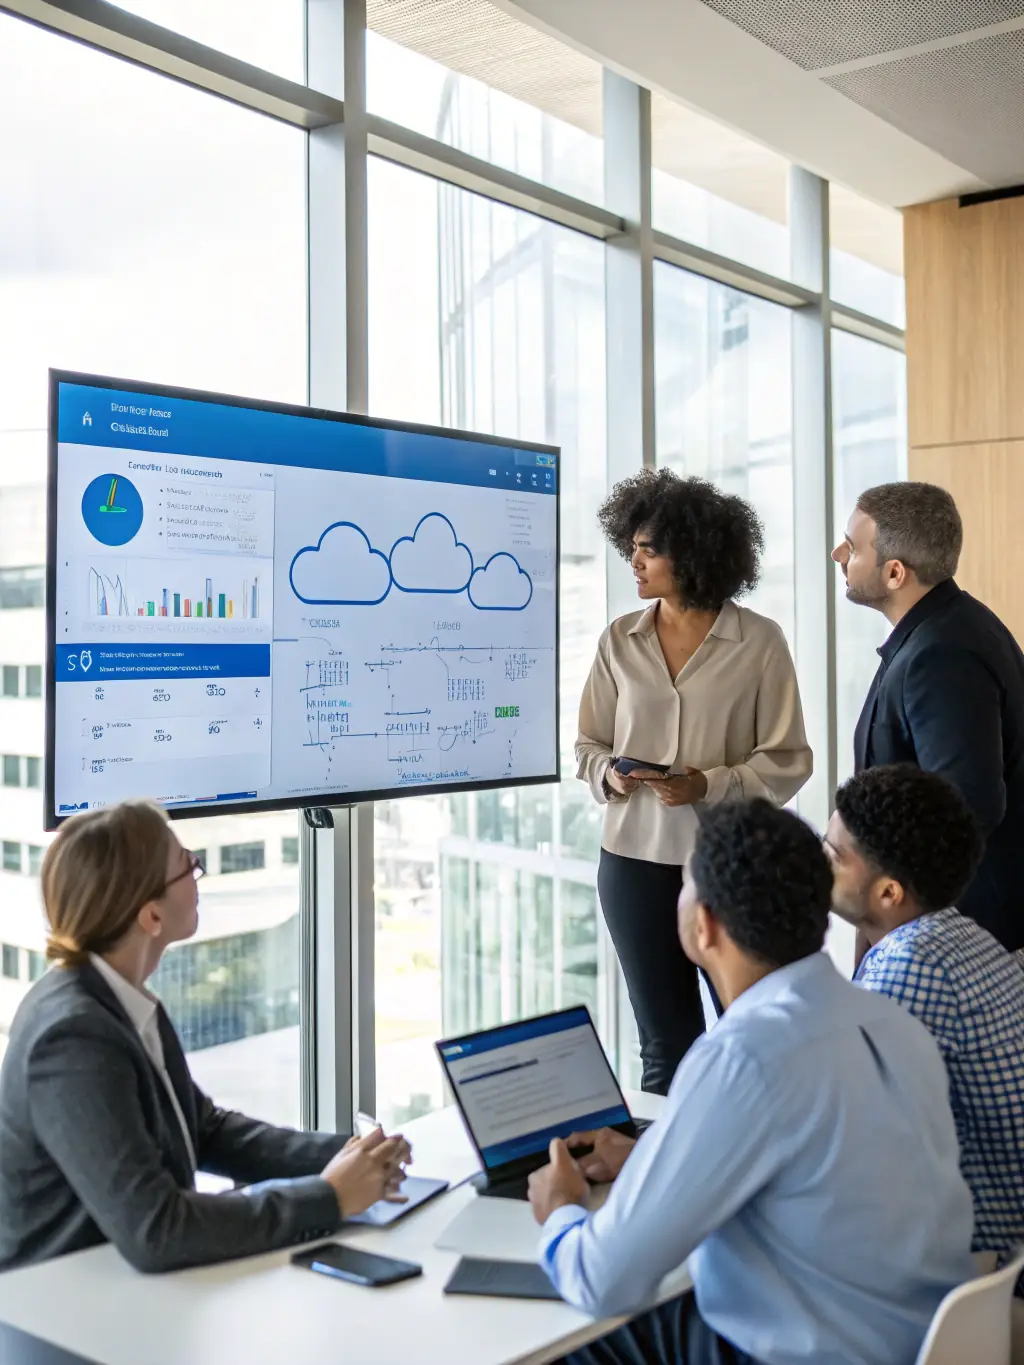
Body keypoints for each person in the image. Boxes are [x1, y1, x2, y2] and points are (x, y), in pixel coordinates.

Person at [527, 799, 975, 1365]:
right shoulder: (891, 1024)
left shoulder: (744, 1057)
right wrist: (651, 1156)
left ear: (704, 924)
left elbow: (601, 1280)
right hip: (923, 1339)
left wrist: (561, 1208)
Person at [0, 799, 411, 1274]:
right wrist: (330, 1197)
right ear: (151, 917)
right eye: (188, 867)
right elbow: (157, 1228)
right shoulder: (72, 1039)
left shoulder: (119, 998)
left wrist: (348, 1155)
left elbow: (205, 1130)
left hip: (124, 1294)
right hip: (66, 1321)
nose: (198, 875)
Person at [577, 469, 812, 1093]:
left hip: (727, 866)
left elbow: (788, 759)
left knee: (753, 1033)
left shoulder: (760, 642)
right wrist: (612, 776)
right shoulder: (618, 641)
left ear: (694, 553)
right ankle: (670, 1185)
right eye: (632, 546)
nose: (634, 560)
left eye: (648, 549)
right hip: (632, 864)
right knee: (665, 1048)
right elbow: (587, 745)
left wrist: (706, 785)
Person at [826, 763, 1024, 1257]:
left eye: (832, 855)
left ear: (889, 892)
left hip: (980, 1269)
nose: (815, 862)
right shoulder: (963, 939)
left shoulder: (910, 971)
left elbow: (840, 1137)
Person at [834, 480, 1024, 954]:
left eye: (853, 546)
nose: (838, 554)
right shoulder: (948, 626)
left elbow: (967, 804)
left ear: (895, 572)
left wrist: (896, 908)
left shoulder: (942, 654)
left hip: (962, 932)